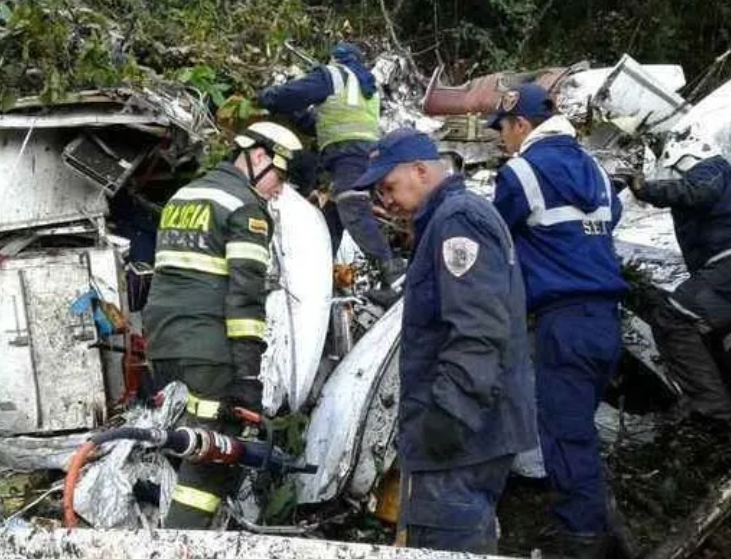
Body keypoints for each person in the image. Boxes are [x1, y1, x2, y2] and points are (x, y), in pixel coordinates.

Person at [353, 128, 537, 553]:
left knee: (445, 542)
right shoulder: (448, 218)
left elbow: (477, 329)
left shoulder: (458, 220)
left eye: (389, 186)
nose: (386, 201)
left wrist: (447, 417)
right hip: (472, 430)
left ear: (420, 170)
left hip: (464, 436)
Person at [490, 84, 628, 557]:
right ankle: (599, 523)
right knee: (579, 430)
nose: (502, 140)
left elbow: (490, 234)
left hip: (563, 322)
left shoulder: (521, 171)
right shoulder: (594, 169)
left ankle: (581, 540)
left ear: (521, 125)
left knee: (565, 436)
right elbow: (611, 217)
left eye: (503, 129)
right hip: (606, 321)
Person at [142, 121, 302, 529]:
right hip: (209, 352)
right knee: (213, 456)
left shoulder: (184, 196)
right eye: (279, 177)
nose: (278, 189)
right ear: (259, 157)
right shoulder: (246, 208)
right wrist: (248, 377)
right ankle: (181, 543)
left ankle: (163, 528)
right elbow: (245, 301)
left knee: (179, 442)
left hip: (163, 345)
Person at [258, 42, 405, 291]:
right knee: (330, 223)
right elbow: (325, 123)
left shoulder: (334, 74)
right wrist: (297, 116)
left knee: (353, 211)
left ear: (335, 59)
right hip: (362, 156)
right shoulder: (365, 85)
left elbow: (290, 95)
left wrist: (266, 97)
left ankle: (393, 273)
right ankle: (318, 282)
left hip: (347, 156)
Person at [621, 134, 731, 422]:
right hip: (721, 271)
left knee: (673, 318)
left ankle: (710, 406)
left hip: (726, 268)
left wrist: (646, 189)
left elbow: (696, 193)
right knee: (706, 330)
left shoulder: (711, 169)